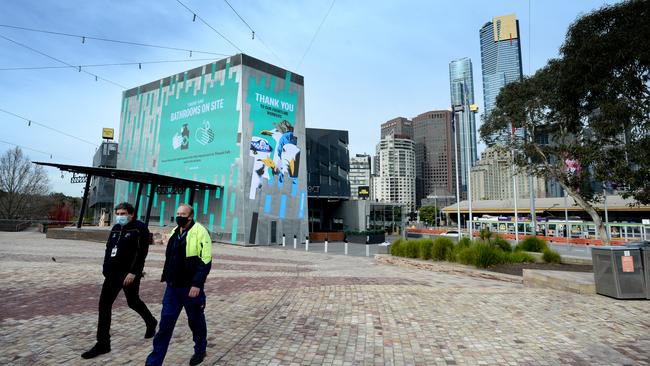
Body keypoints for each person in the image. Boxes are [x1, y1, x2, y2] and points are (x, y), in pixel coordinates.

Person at [82, 202, 157, 359]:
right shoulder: (115, 228)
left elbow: (142, 253)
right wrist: (105, 267)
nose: (120, 216)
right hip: (112, 274)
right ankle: (103, 344)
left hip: (129, 274)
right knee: (104, 305)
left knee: (133, 301)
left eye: (123, 213)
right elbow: (109, 248)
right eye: (118, 213)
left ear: (131, 214)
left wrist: (134, 272)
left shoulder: (140, 228)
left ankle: (151, 322)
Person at [146, 203, 212, 366]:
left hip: (191, 289)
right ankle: (154, 362)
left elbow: (205, 260)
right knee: (165, 326)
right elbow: (171, 258)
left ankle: (200, 349)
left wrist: (197, 284)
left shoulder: (200, 232)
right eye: (177, 213)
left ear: (190, 216)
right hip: (173, 288)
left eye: (183, 214)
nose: (179, 216)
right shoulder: (175, 232)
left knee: (196, 321)